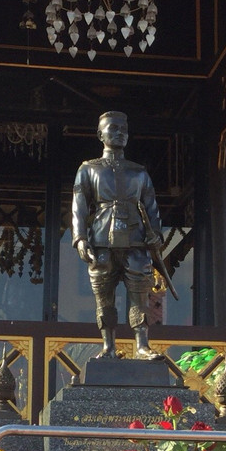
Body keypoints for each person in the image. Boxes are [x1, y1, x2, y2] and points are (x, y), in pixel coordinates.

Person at [72, 111, 164, 360]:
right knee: (104, 295)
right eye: (113, 128)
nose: (120, 133)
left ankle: (142, 345)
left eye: (123, 129)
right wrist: (80, 238)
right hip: (102, 239)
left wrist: (156, 234)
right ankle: (108, 346)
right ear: (100, 134)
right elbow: (79, 207)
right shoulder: (88, 169)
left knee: (139, 294)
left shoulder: (139, 172)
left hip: (136, 239)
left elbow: (152, 207)